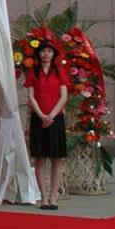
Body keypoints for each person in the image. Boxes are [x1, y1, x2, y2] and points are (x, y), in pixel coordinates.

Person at [24, 42, 68, 210]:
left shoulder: (59, 72)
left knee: (57, 158)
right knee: (40, 157)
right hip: (38, 118)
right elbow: (31, 96)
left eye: (49, 51)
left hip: (56, 118)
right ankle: (43, 197)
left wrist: (52, 115)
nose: (46, 54)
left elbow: (64, 96)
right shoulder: (33, 72)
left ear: (53, 54)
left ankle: (54, 197)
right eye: (43, 51)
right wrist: (42, 115)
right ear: (39, 54)